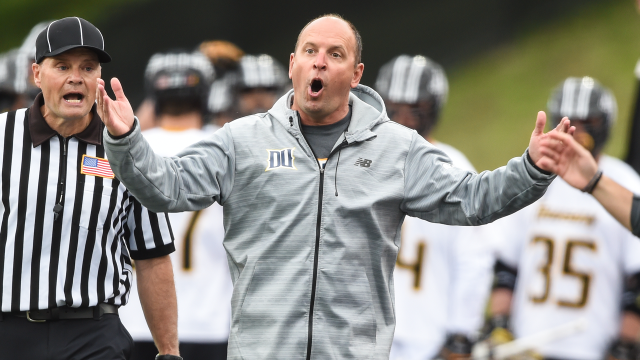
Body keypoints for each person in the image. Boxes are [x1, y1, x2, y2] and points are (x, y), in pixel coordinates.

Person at [98, 14, 572, 359]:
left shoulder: (397, 148)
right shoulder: (242, 141)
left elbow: (473, 199)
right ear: (292, 65)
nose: (319, 64)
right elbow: (166, 187)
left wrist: (531, 167)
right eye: (310, 52)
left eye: (335, 55)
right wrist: (124, 139)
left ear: (357, 73)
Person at [0, 17, 181, 360]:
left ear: (99, 76)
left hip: (93, 334)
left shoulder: (127, 148)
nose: (76, 77)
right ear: (37, 74)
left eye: (88, 66)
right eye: (62, 65)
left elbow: (152, 256)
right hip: (9, 333)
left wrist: (169, 352)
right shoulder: (1, 138)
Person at [484, 77, 640, 359]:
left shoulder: (625, 183)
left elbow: (636, 283)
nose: (578, 131)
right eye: (571, 120)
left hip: (592, 347)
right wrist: (499, 325)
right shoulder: (533, 175)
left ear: (604, 124)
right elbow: (507, 268)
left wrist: (626, 343)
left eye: (588, 120)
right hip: (528, 346)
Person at [375, 55, 492, 360]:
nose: (403, 119)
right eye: (395, 108)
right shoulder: (359, 158)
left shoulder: (453, 170)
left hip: (427, 339)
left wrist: (460, 335)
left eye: (415, 110)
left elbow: (473, 260)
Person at [119, 50, 232, 360]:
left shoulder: (127, 150)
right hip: (210, 321)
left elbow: (125, 131)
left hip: (135, 321)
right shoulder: (225, 147)